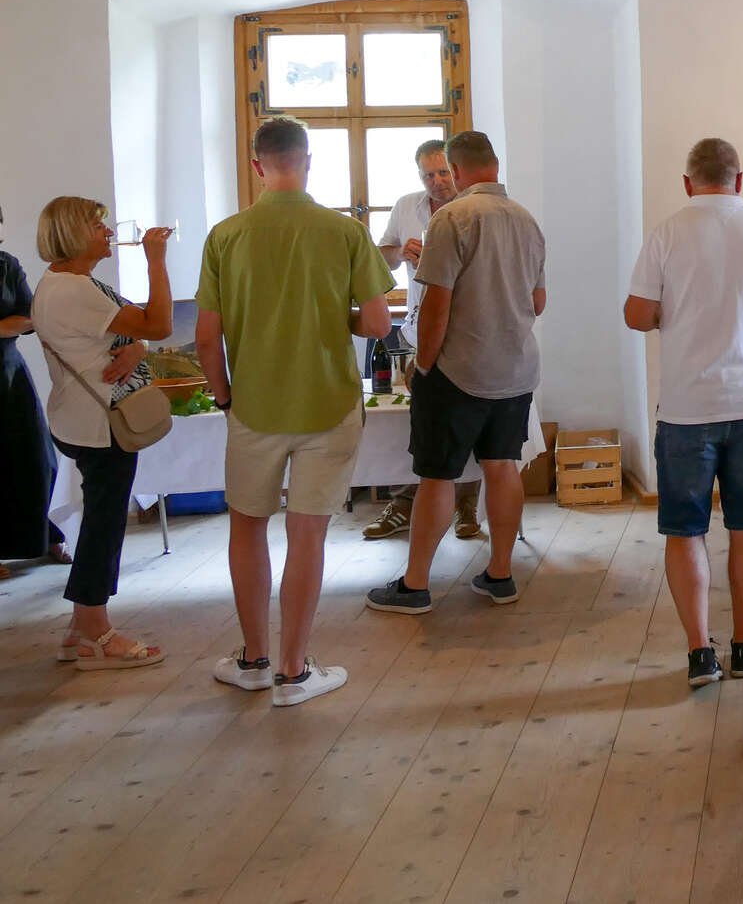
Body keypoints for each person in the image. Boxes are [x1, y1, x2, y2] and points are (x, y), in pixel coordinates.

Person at [196, 115, 394, 706]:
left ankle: (254, 660)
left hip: (254, 405)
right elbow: (378, 324)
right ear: (308, 161)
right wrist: (337, 316)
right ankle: (292, 671)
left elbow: (207, 340)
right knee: (308, 534)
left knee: (247, 528)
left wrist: (225, 398)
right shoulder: (344, 231)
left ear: (258, 164)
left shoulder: (226, 235)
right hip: (328, 403)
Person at [624, 138, 743, 687]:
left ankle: (699, 654)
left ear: (687, 183)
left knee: (685, 531)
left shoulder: (666, 233)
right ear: (739, 180)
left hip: (687, 407)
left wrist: (675, 317)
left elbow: (637, 315)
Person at [367, 131, 543, 617]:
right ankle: (501, 575)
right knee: (502, 466)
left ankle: (415, 585)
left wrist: (423, 365)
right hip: (516, 368)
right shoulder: (526, 219)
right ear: (495, 164)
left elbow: (435, 307)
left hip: (458, 369)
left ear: (458, 171)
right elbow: (539, 301)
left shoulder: (451, 218)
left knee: (437, 477)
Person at [30, 200, 174, 667]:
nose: (108, 231)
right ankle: (96, 632)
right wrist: (156, 261)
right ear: (73, 234)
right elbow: (159, 323)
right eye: (97, 225)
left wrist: (138, 347)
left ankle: (80, 626)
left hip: (80, 415)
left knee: (102, 519)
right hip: (99, 421)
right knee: (104, 525)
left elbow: (131, 334)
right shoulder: (74, 288)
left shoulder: (67, 282)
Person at [365, 139, 482, 542]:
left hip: (466, 331)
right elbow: (381, 257)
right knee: (415, 425)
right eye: (428, 175)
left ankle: (467, 505)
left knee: (466, 421)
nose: (437, 181)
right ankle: (404, 503)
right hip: (419, 328)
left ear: (456, 170)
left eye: (443, 172)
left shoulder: (474, 208)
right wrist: (402, 252)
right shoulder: (406, 206)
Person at [0, 205, 68, 578]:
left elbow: (29, 317)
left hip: (9, 373)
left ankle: (42, 537)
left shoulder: (6, 264)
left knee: (36, 457)